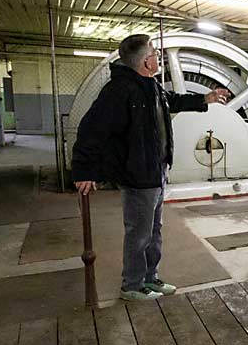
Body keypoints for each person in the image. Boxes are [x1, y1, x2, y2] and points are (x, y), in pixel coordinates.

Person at [71, 34, 229, 301]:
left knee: (153, 231)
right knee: (139, 233)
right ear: (146, 62)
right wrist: (84, 170)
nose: (158, 57)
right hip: (138, 174)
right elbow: (92, 130)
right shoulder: (119, 91)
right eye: (155, 53)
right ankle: (131, 286)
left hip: (156, 171)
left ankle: (149, 278)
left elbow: (172, 101)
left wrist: (205, 99)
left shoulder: (149, 86)